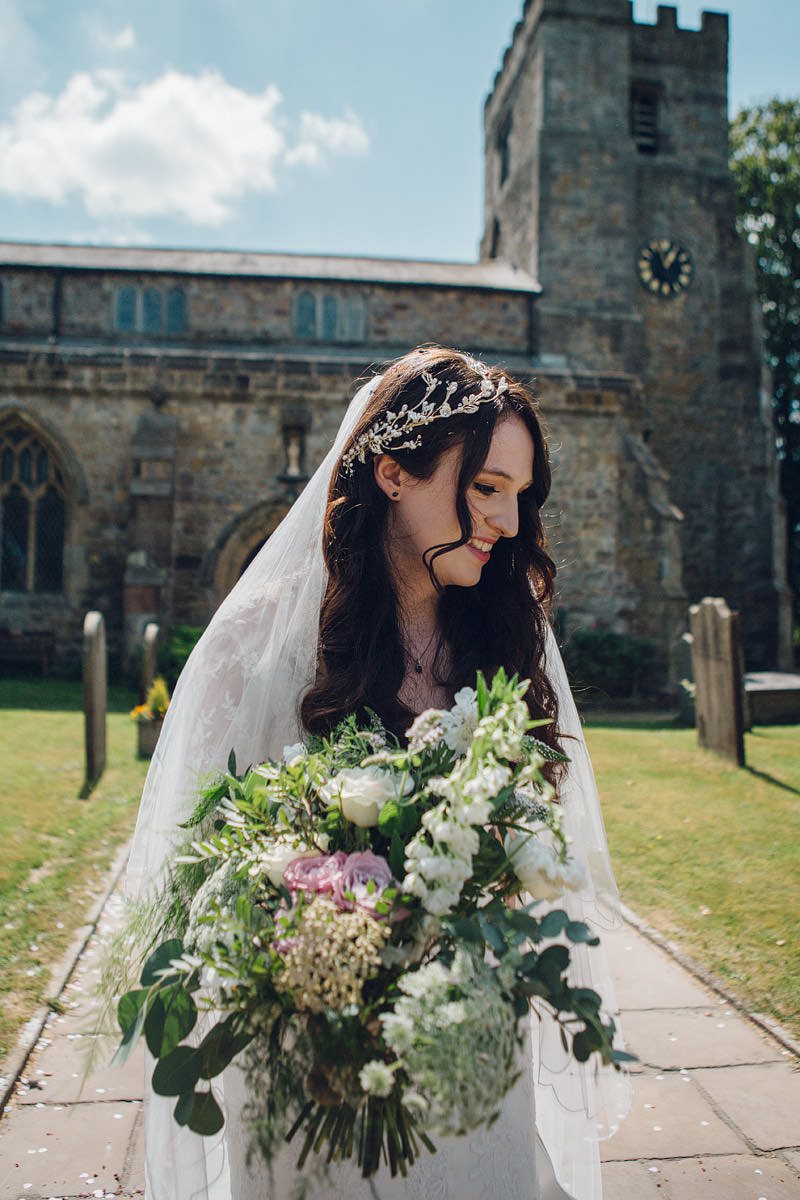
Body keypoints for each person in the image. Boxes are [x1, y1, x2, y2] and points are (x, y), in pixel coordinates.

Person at [127, 347, 631, 1200]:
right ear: (393, 473)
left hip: (468, 1037)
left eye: (519, 493)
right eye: (484, 487)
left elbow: (536, 859)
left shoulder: (506, 638)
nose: (508, 522)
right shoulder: (257, 642)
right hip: (309, 1068)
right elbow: (193, 883)